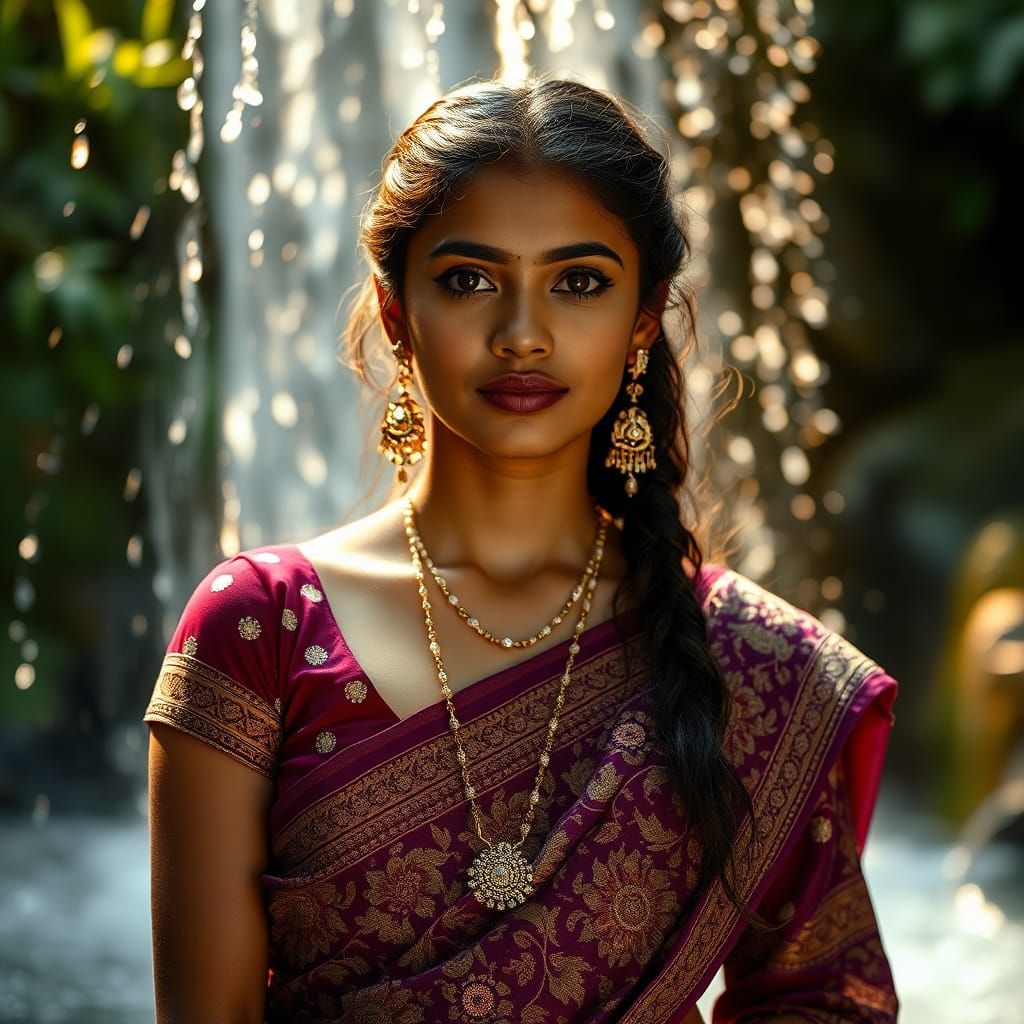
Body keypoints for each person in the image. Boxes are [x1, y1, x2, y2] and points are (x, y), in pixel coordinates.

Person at [144, 73, 900, 1024]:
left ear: (641, 316)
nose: (523, 335)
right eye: (469, 280)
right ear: (393, 312)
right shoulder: (262, 629)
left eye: (578, 282)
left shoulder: (751, 664)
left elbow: (827, 998)